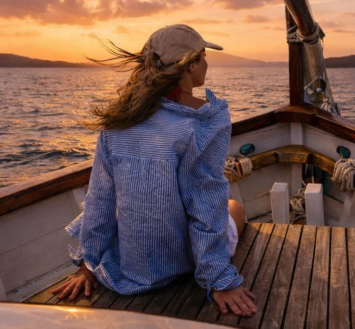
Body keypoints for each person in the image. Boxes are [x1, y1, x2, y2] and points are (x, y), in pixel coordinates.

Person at [51, 24, 257, 317]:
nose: (207, 64)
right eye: (203, 56)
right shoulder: (204, 121)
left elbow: (100, 201)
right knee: (234, 208)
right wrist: (219, 280)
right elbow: (204, 202)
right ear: (191, 64)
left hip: (131, 265)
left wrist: (88, 264)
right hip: (180, 260)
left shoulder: (118, 122)